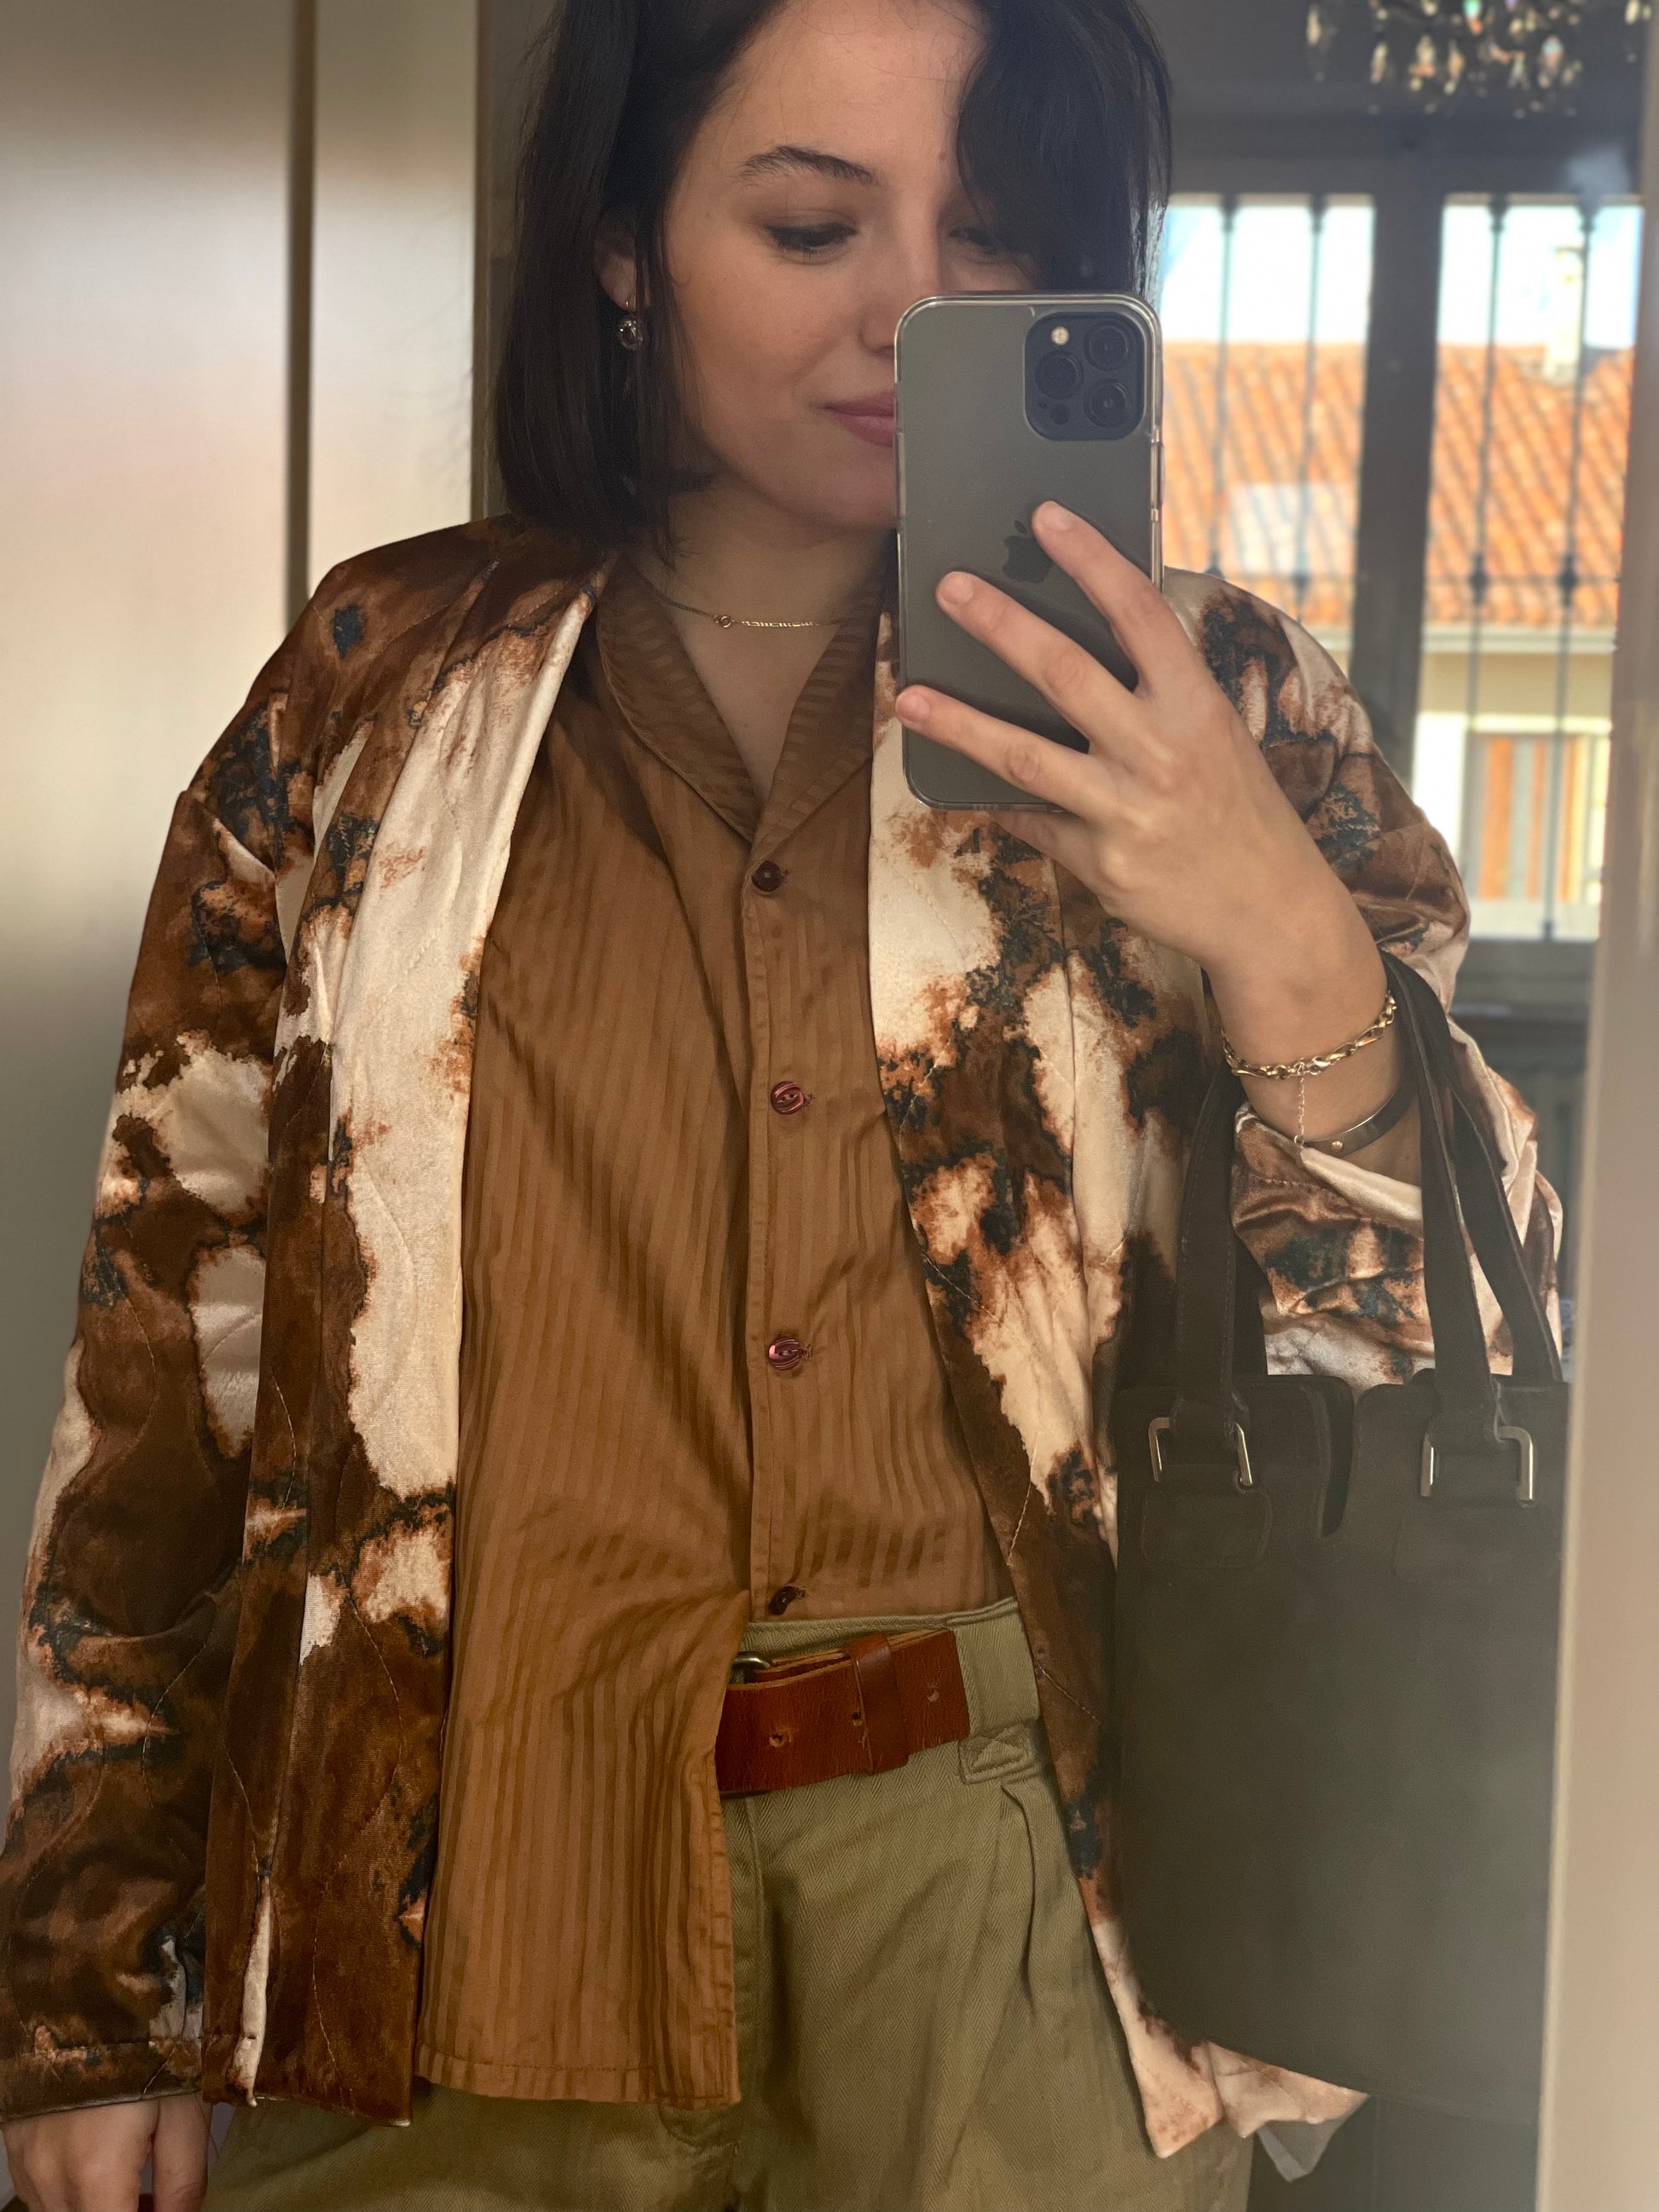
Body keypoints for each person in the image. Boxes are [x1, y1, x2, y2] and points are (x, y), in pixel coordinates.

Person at [0, 0, 1559, 2207]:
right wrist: (93, 1983)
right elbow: (171, 1352)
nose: (910, 306)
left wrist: (1281, 936)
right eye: (812, 225)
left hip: (1029, 1926)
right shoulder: (378, 694)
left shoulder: (1216, 709)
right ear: (627, 241)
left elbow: (1442, 1346)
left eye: (990, 234)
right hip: (448, 1894)